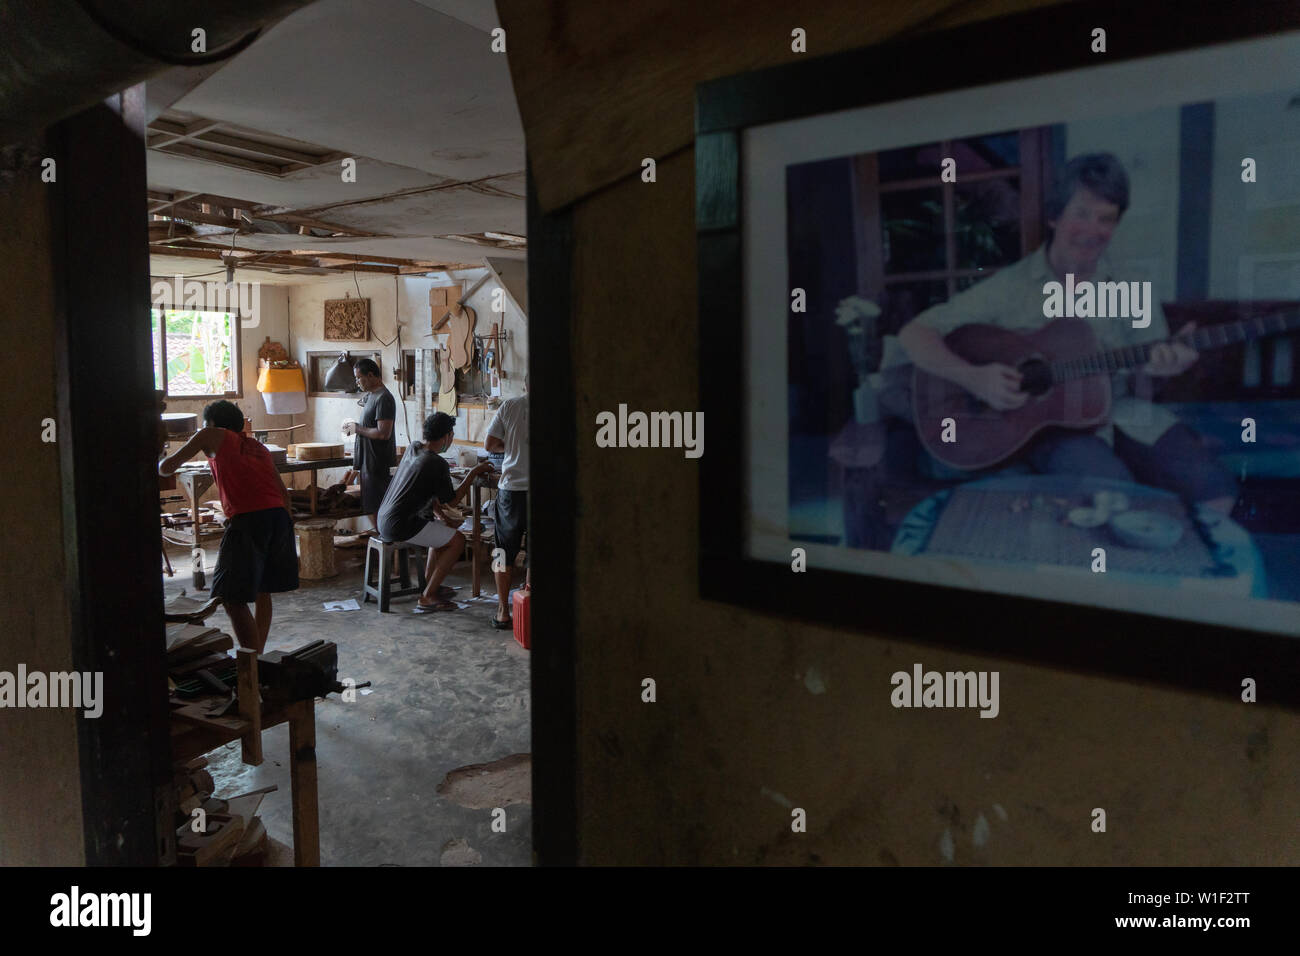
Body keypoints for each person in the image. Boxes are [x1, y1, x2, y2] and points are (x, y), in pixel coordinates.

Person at [888, 152, 1236, 513]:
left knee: (1215, 491)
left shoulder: (1131, 287)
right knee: (1116, 504)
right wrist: (975, 378)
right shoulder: (1010, 286)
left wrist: (1159, 372)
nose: (1092, 230)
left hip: (1127, 413)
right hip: (1057, 428)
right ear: (1055, 216)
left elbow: (1147, 383)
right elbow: (915, 333)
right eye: (1082, 213)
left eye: (1106, 219)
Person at [158, 400, 298, 653]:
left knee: (231, 599)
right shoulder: (258, 447)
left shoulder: (211, 434)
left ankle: (249, 667)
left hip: (251, 521)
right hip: (279, 518)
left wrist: (158, 451)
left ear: (211, 423)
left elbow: (166, 469)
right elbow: (282, 494)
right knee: (262, 591)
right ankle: (257, 658)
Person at [377, 412, 493, 613]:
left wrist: (443, 517)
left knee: (440, 533)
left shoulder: (414, 448)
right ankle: (428, 596)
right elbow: (453, 501)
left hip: (384, 518)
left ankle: (430, 585)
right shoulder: (437, 463)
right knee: (457, 541)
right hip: (399, 524)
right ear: (447, 436)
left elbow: (424, 492)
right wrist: (474, 472)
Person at [484, 377, 529, 629]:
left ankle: (503, 610)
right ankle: (530, 605)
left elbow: (489, 444)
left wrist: (511, 447)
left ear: (526, 385)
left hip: (511, 489)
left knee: (503, 550)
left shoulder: (509, 406)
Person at [343, 358, 396, 531]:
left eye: (360, 378)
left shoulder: (384, 398)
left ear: (371, 375)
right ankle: (379, 539)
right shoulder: (371, 397)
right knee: (370, 506)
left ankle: (384, 542)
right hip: (367, 463)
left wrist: (357, 428)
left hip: (378, 464)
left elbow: (383, 433)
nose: (357, 382)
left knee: (377, 507)